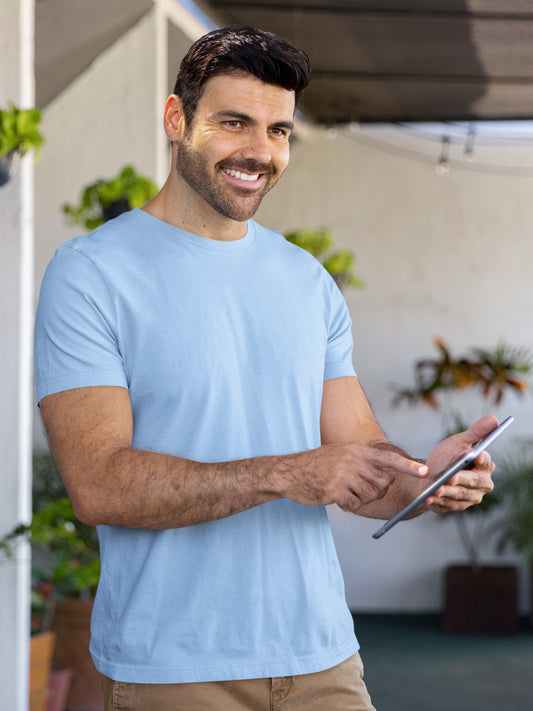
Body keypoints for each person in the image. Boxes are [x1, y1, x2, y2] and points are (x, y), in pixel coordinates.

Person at [35, 25, 496, 711]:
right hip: (174, 665)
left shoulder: (305, 279)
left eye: (278, 131)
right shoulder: (92, 273)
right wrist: (287, 471)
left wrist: (426, 479)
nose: (259, 151)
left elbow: (359, 457)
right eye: (233, 123)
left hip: (322, 656)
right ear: (175, 119)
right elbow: (98, 485)